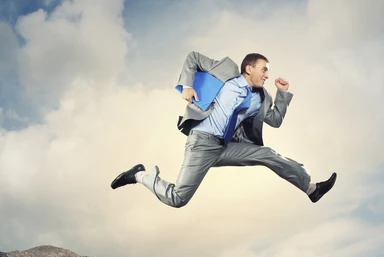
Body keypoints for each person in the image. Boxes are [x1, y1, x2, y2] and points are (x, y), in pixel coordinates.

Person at [110, 51, 336, 207]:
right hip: (202, 143)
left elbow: (275, 120)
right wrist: (187, 86)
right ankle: (139, 175)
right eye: (264, 69)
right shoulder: (226, 72)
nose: (267, 75)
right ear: (249, 68)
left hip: (226, 147)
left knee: (267, 154)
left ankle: (311, 188)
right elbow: (193, 58)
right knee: (178, 199)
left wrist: (282, 94)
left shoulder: (261, 97)